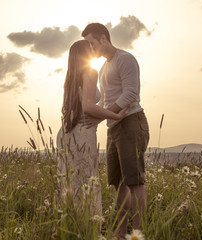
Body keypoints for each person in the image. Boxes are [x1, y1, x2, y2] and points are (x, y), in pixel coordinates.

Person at [82, 23, 150, 238]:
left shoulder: (125, 59)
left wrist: (103, 115)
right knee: (118, 183)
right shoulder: (103, 68)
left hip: (131, 122)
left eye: (92, 43)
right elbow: (105, 101)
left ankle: (138, 233)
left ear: (103, 38)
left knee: (135, 181)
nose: (90, 48)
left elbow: (130, 94)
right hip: (114, 127)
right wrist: (99, 117)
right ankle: (119, 234)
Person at [56, 40, 128, 216]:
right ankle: (87, 223)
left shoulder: (70, 77)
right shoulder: (90, 72)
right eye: (90, 48)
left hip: (66, 132)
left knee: (70, 179)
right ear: (84, 54)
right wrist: (115, 115)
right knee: (87, 178)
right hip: (82, 131)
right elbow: (87, 106)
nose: (94, 50)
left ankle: (69, 221)